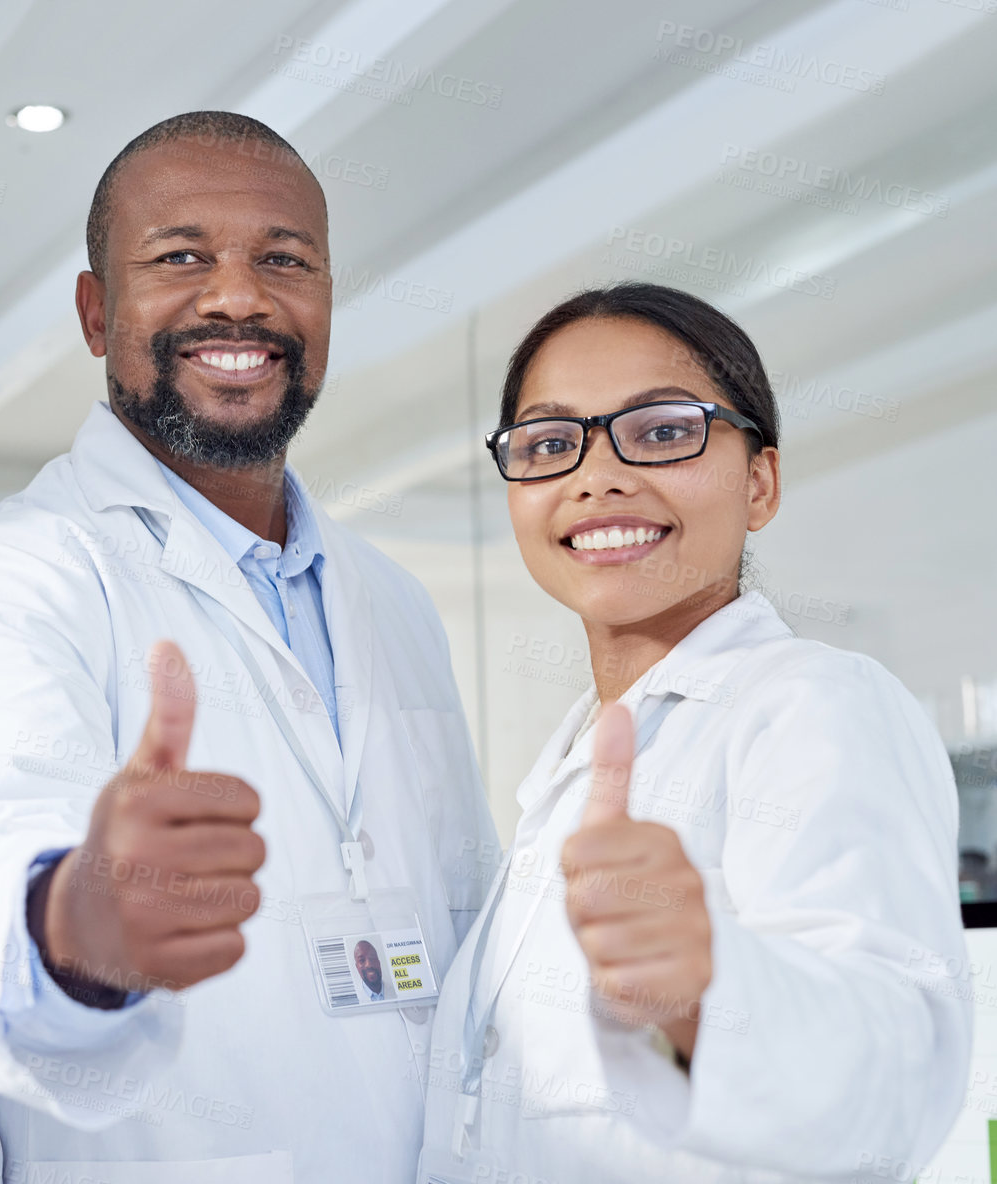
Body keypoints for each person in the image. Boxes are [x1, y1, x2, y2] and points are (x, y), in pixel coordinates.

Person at [0, 111, 495, 1182]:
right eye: (181, 257)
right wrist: (83, 920)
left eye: (285, 259)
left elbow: (458, 921)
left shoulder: (394, 600)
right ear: (97, 312)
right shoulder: (20, 577)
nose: (239, 295)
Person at [416, 283, 971, 1182]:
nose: (597, 477)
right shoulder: (574, 769)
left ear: (760, 483)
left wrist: (708, 994)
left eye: (664, 430)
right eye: (552, 443)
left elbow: (896, 1080)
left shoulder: (816, 706)